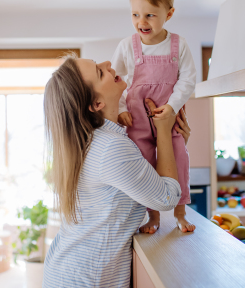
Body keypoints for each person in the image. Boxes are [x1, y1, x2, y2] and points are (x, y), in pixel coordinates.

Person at [42, 55, 191, 288]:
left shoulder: (95, 141)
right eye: (100, 72)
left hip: (66, 272)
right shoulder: (111, 147)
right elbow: (167, 197)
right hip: (87, 280)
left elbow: (148, 181)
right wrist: (164, 131)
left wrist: (175, 143)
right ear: (96, 104)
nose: (108, 65)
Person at [111, 0, 197, 233]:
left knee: (179, 158)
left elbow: (188, 80)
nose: (141, 22)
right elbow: (116, 83)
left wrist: (171, 107)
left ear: (168, 14)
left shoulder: (178, 44)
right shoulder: (128, 46)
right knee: (145, 162)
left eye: (149, 15)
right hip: (137, 117)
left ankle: (180, 213)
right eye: (135, 14)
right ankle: (154, 216)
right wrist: (123, 110)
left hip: (169, 115)